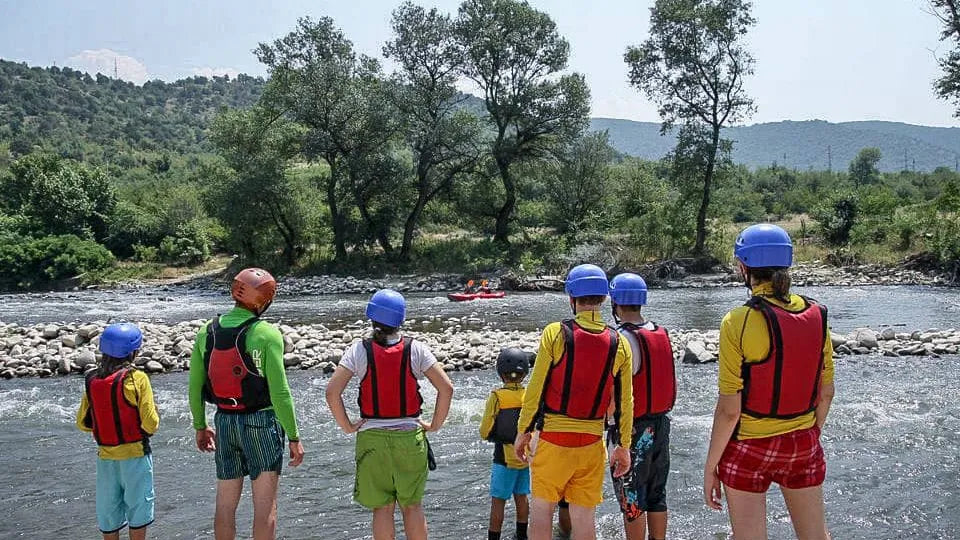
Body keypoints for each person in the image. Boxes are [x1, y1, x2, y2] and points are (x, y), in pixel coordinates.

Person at [703, 224, 835, 539]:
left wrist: (710, 467)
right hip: (802, 441)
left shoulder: (737, 321)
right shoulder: (818, 314)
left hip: (749, 447)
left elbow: (729, 412)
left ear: (743, 268)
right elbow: (826, 393)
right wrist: (810, 434)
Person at [515, 263, 634, 540]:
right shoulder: (620, 343)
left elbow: (535, 389)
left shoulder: (555, 333)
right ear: (604, 299)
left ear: (572, 298)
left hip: (552, 441)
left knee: (541, 512)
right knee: (584, 520)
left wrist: (523, 431)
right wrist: (624, 446)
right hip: (591, 444)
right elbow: (626, 402)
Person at [325, 289, 455, 540]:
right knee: (412, 506)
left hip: (371, 440)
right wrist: (435, 425)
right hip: (410, 438)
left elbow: (332, 393)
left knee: (382, 508)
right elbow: (446, 389)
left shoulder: (359, 350)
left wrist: (348, 426)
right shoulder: (416, 349)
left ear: (371, 317)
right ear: (401, 319)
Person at [188, 267, 304, 540]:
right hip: (261, 423)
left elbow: (194, 386)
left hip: (224, 421)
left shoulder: (206, 331)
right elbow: (280, 392)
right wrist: (294, 437)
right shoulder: (267, 333)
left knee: (225, 505)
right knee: (265, 507)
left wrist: (200, 426)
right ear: (264, 301)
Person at [608, 273, 676, 540]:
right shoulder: (660, 332)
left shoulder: (621, 339)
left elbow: (612, 394)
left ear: (615, 302)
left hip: (632, 431)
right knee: (657, 494)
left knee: (632, 497)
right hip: (661, 425)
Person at [77, 323, 159, 540]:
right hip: (136, 457)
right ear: (133, 352)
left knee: (109, 514)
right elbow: (151, 424)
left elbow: (82, 423)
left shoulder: (91, 379)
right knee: (139, 512)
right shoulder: (137, 378)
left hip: (105, 460)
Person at [480, 347, 534, 540]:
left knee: (498, 501)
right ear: (525, 373)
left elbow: (484, 430)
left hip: (503, 458)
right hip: (524, 457)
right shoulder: (529, 395)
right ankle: (522, 535)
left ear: (501, 373)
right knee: (522, 496)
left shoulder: (497, 396)